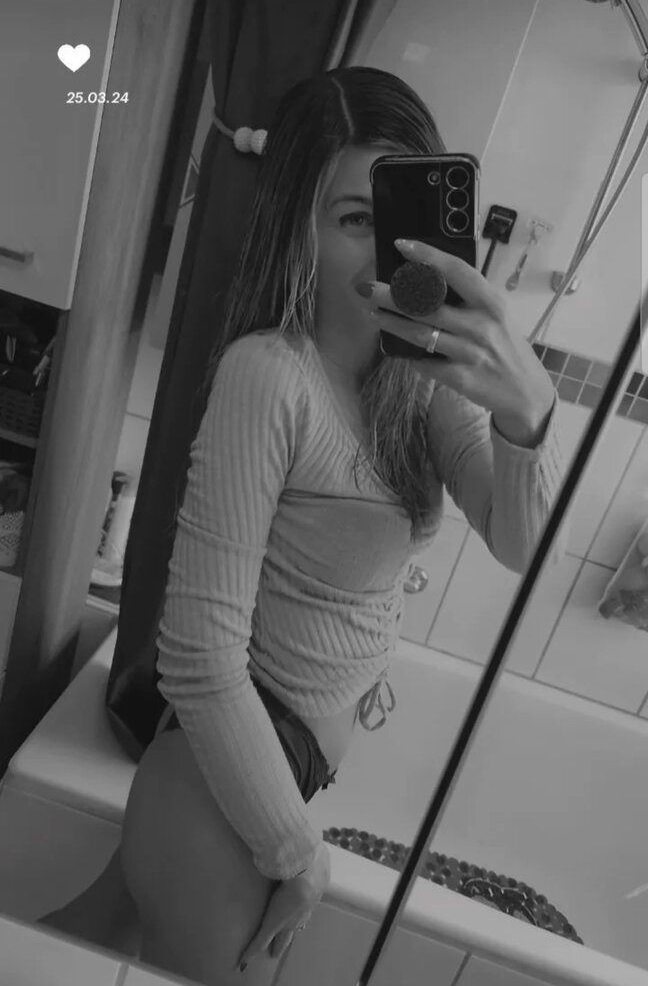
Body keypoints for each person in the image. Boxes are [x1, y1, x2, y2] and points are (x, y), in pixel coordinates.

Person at [40, 67, 565, 985]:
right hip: (219, 790)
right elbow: (200, 657)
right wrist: (297, 853)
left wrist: (529, 419)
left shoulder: (422, 386)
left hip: (259, 775)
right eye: (354, 218)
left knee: (61, 948)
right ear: (300, 225)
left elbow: (520, 544)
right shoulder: (269, 377)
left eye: (397, 219)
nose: (384, 253)